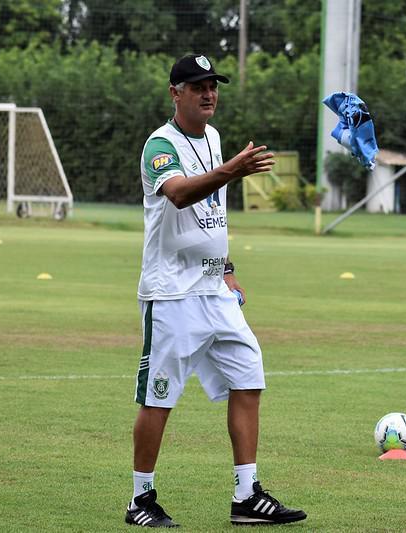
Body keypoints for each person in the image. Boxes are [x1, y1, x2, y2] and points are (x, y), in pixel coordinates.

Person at [125, 54, 307, 528]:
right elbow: (182, 194)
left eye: (213, 85)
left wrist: (227, 268)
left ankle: (246, 496)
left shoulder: (214, 138)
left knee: (249, 376)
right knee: (159, 396)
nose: (208, 93)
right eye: (197, 85)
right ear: (175, 93)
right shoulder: (159, 145)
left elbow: (214, 215)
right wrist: (233, 170)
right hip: (172, 295)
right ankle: (140, 499)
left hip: (213, 289)